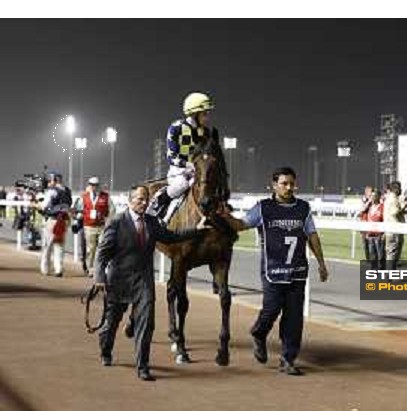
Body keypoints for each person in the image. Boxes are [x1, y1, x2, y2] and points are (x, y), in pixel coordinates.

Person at [223, 167, 328, 376]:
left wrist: (322, 263)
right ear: (274, 185)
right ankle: (258, 333)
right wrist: (223, 216)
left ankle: (288, 359)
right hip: (272, 271)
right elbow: (241, 225)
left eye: (292, 184)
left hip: (297, 272)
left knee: (294, 319)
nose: (289, 187)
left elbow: (312, 236)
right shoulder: (263, 208)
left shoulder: (303, 208)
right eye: (284, 184)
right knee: (270, 311)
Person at [93, 185, 206, 381]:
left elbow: (172, 237)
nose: (144, 203)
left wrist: (196, 230)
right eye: (139, 199)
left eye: (146, 199)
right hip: (118, 280)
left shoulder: (152, 223)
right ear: (130, 201)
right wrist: (99, 278)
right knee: (111, 324)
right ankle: (105, 350)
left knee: (146, 324)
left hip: (144, 282)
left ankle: (143, 366)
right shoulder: (117, 222)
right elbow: (102, 254)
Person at [149, 91, 229, 225]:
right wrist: (187, 165)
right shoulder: (176, 128)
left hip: (198, 171)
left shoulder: (205, 131)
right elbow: (170, 157)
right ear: (194, 114)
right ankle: (160, 209)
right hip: (178, 170)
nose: (207, 117)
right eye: (205, 113)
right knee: (182, 184)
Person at [75, 176, 113, 276]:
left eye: (95, 185)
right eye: (92, 185)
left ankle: (99, 268)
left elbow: (112, 210)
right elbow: (78, 210)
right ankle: (90, 268)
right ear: (89, 185)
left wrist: (108, 221)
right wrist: (78, 218)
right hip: (88, 226)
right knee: (90, 249)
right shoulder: (84, 196)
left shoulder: (106, 196)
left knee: (101, 248)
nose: (94, 187)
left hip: (101, 226)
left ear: (98, 186)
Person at [38, 172, 72, 277]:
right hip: (64, 220)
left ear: (54, 180)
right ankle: (58, 269)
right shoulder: (67, 190)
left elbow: (44, 206)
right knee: (59, 245)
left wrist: (37, 204)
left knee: (47, 245)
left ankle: (45, 269)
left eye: (50, 180)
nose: (48, 183)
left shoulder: (52, 191)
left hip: (53, 220)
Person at [383, 181, 407, 270]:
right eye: (400, 188)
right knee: (392, 254)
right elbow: (395, 212)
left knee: (392, 254)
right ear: (396, 189)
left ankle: (390, 274)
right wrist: (404, 207)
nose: (401, 190)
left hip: (390, 229)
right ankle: (389, 276)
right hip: (394, 230)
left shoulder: (390, 198)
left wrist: (404, 208)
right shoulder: (393, 199)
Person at [365, 189, 385, 270]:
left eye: (374, 196)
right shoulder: (370, 207)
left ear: (378, 197)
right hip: (370, 234)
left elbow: (384, 220)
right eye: (371, 196)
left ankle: (381, 269)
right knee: (372, 253)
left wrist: (384, 233)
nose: (372, 198)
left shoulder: (382, 207)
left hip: (379, 234)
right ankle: (373, 269)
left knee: (380, 254)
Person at [358, 185, 374, 260]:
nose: (372, 194)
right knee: (365, 244)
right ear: (366, 192)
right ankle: (368, 258)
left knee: (371, 244)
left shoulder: (373, 201)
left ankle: (372, 259)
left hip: (371, 225)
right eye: (371, 192)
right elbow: (362, 209)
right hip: (364, 225)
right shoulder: (363, 200)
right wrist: (369, 201)